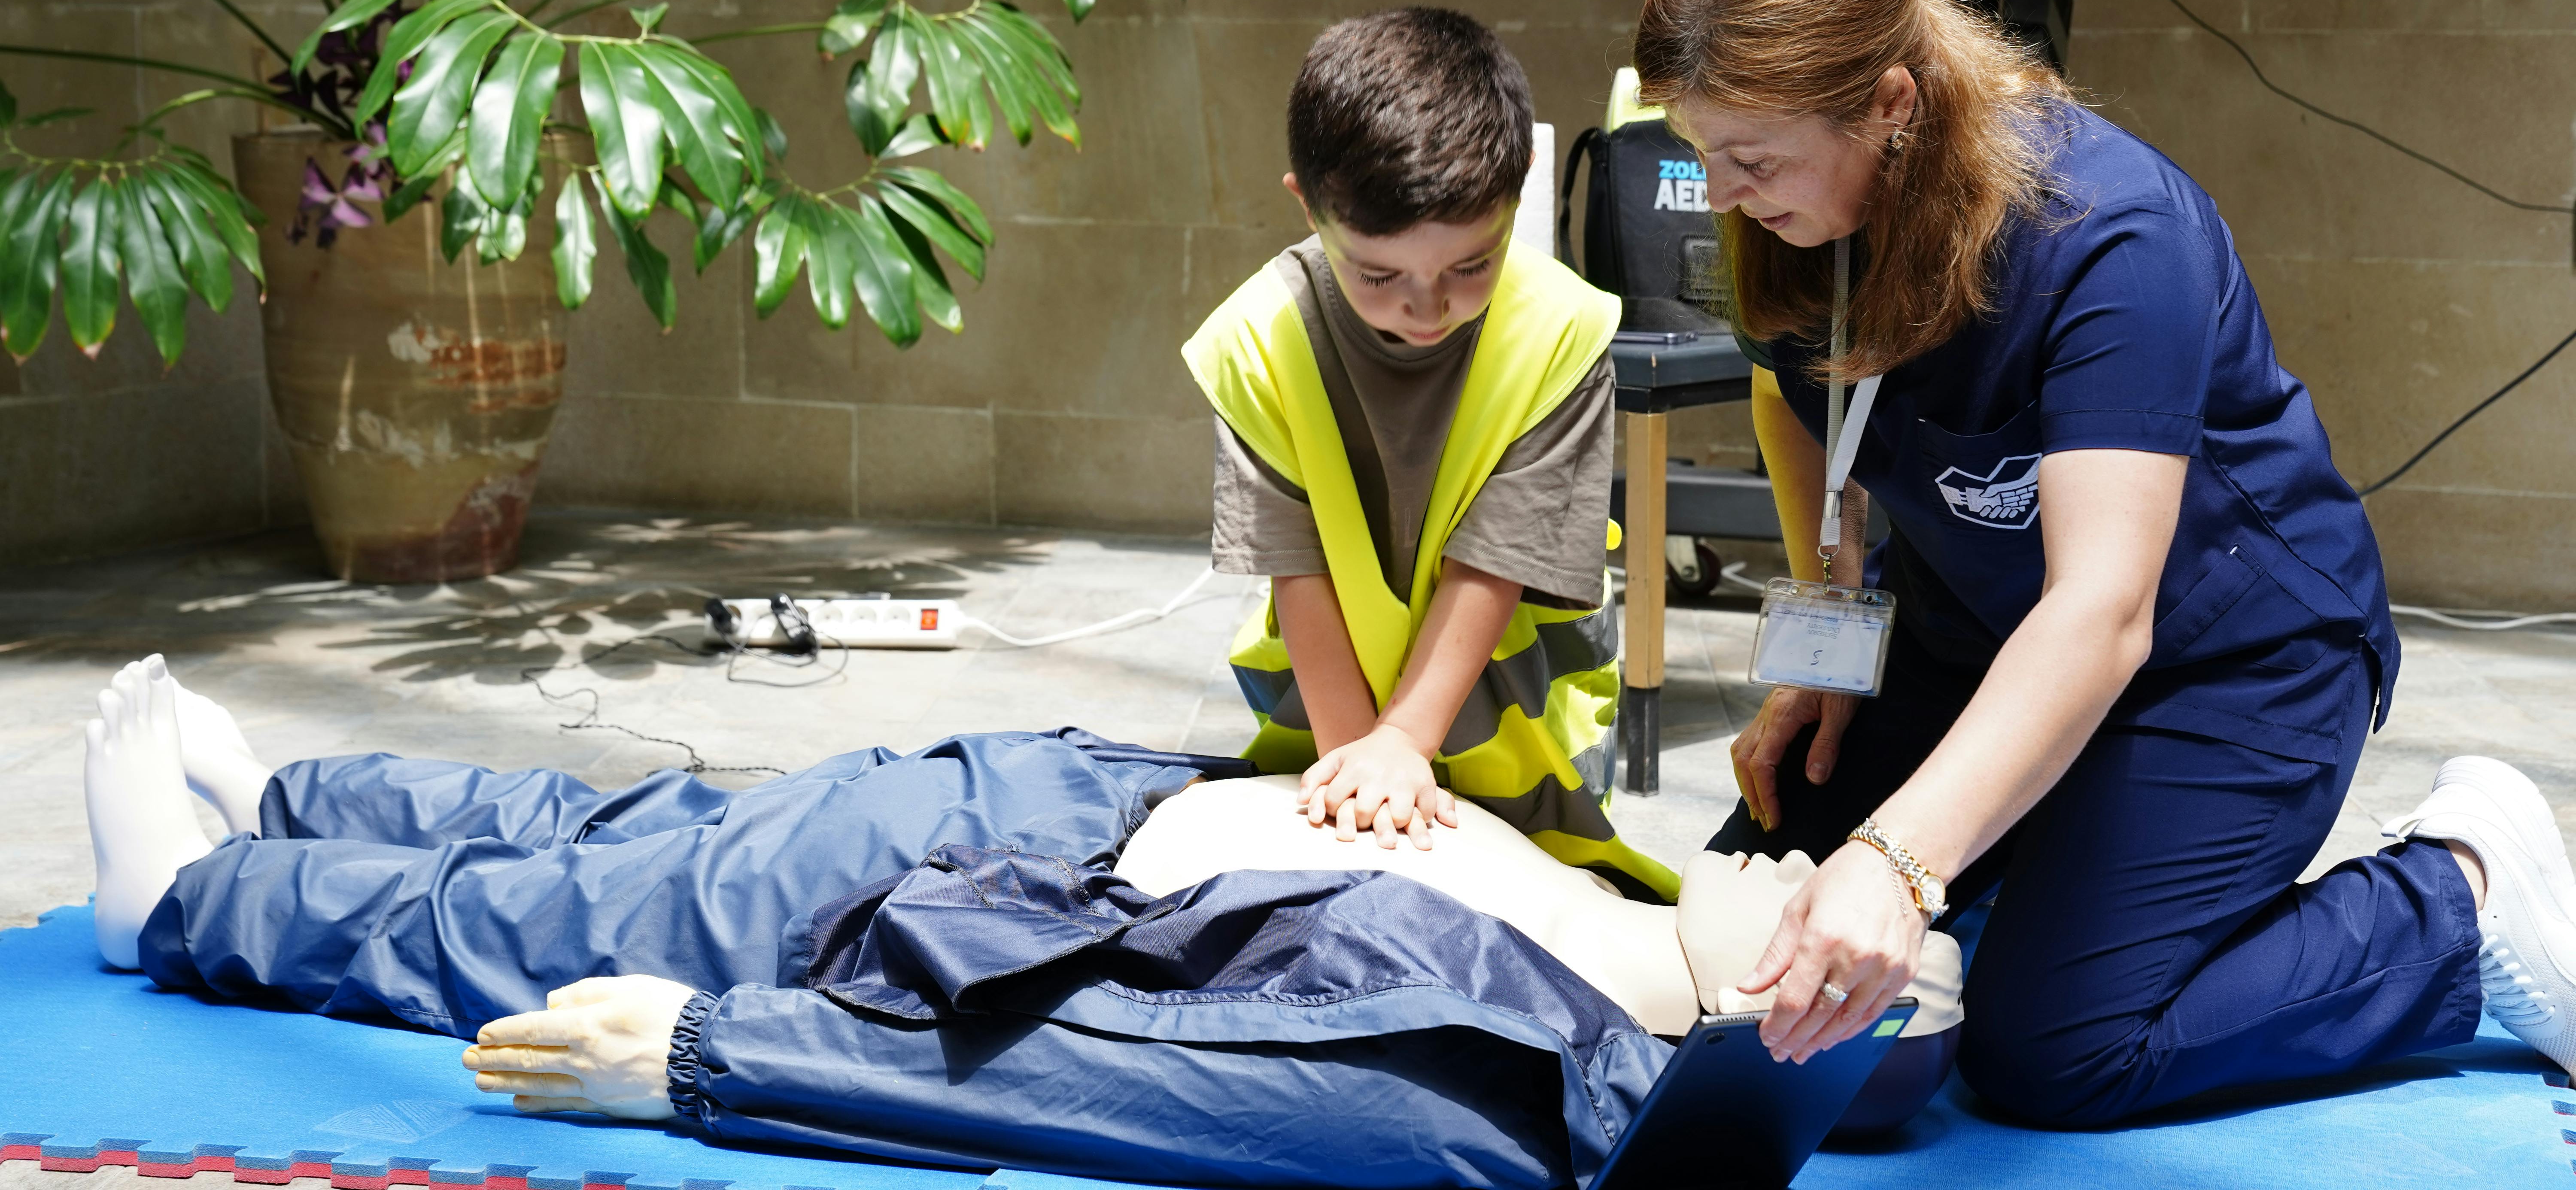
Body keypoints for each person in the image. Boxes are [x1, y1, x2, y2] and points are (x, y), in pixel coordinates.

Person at [1628, 0, 2576, 1119]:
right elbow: (1796, 398)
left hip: (2228, 661)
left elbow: (2105, 610)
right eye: (1703, 152)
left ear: (1892, 106)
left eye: (1750, 158)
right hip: (1977, 635)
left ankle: (2456, 894)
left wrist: (1902, 861)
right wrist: (1827, 633)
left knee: (2052, 1051)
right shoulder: (1804, 217)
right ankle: (2055, 875)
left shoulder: (2108, 232)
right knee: (1750, 967)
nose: (1725, 189)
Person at [82, 656, 1964, 1188]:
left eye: (1852, 925)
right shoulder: (1621, 928)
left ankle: (177, 900)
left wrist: (715, 1059)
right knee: (643, 825)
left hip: (978, 906)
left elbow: (1109, 1082)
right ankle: (291, 797)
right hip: (1069, 797)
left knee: (553, 913)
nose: (1823, 874)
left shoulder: (1503, 1086)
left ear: (1782, 1016)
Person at [1184, 9, 1670, 899]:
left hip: (1518, 695)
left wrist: (1403, 741)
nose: (1427, 306)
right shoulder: (1255, 338)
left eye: (1469, 266)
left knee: (1534, 903)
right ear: (1306, 202)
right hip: (1323, 689)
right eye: (1380, 275)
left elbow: (1499, 562)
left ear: (1520, 186)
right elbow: (1300, 569)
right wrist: (1358, 762)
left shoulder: (1559, 330)